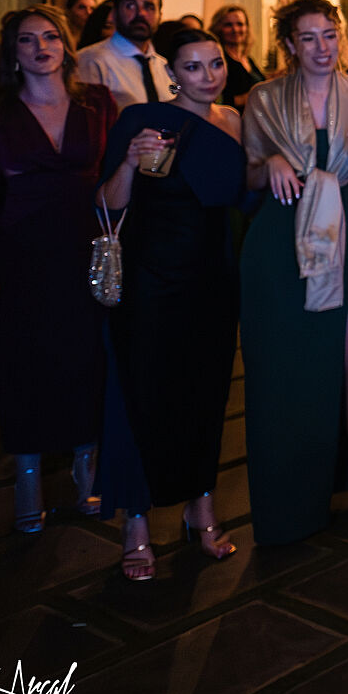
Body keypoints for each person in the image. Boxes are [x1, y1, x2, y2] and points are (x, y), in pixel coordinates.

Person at [240, 0, 348, 544]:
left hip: (345, 235)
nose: (322, 47)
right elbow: (249, 178)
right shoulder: (263, 98)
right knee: (286, 370)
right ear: (289, 44)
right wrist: (270, 162)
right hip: (278, 241)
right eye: (308, 38)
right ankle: (292, 501)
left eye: (329, 35)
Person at [95, 28, 245, 579]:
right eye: (193, 67)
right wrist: (129, 162)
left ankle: (200, 506)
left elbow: (243, 196)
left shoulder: (235, 121)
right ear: (172, 74)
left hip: (214, 278)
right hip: (152, 278)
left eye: (215, 63)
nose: (208, 76)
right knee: (145, 393)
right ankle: (135, 525)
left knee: (206, 394)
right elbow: (106, 204)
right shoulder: (143, 119)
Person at [0, 5, 115, 533]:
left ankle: (86, 467)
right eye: (27, 39)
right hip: (21, 256)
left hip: (85, 250)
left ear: (66, 46)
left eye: (51, 36)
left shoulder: (98, 102)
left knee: (87, 359)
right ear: (12, 52)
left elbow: (118, 175)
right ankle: (28, 476)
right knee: (23, 367)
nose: (41, 47)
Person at [77, 0, 172, 110]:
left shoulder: (165, 67)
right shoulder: (91, 61)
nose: (141, 13)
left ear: (160, 16)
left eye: (149, 7)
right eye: (130, 6)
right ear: (114, 14)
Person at [209, 4, 264, 109]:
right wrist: (251, 97)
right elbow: (218, 99)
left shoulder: (247, 58)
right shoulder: (218, 59)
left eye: (240, 24)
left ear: (247, 28)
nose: (235, 29)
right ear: (218, 28)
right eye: (228, 25)